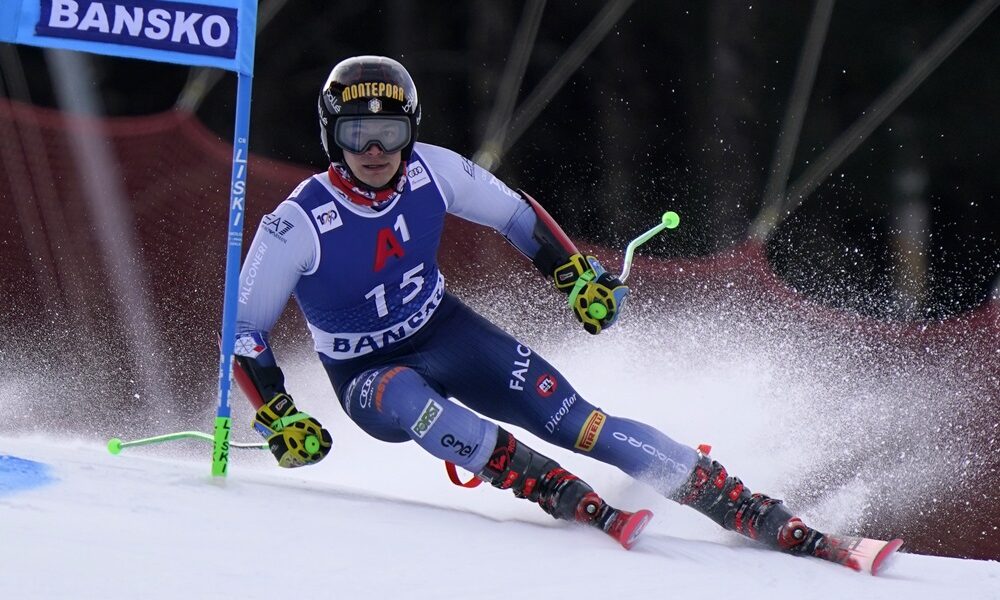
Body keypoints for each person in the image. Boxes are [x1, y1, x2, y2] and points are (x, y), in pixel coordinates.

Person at [233, 55, 850, 563]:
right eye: (355, 135)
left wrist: (575, 278)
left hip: (444, 330)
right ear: (331, 137)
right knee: (408, 399)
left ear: (410, 131)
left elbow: (515, 214)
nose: (375, 151)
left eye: (390, 133)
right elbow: (244, 332)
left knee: (575, 419)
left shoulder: (434, 171)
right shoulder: (295, 224)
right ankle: (543, 483)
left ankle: (740, 503)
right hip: (366, 373)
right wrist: (277, 414)